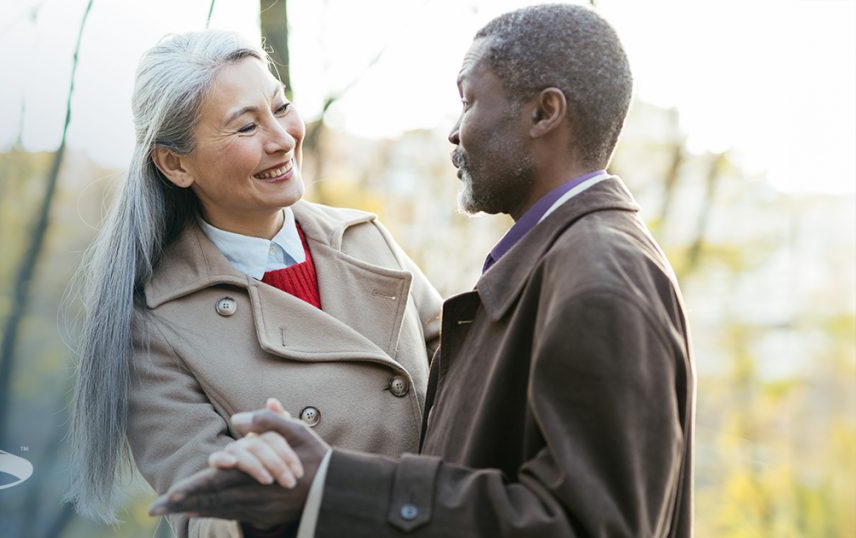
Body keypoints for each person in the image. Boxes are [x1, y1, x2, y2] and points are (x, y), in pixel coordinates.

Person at [150, 4, 696, 537]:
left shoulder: (598, 280)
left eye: (469, 101)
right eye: (245, 126)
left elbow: (588, 520)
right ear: (175, 163)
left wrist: (331, 485)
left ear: (543, 113)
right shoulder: (552, 264)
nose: (455, 132)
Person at [65, 30, 443, 538]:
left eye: (281, 106)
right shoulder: (152, 321)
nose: (283, 138)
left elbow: (463, 370)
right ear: (175, 164)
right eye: (246, 127)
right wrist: (257, 501)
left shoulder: (366, 238)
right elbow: (203, 510)